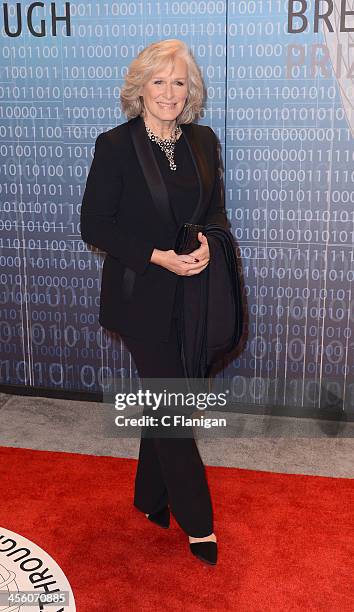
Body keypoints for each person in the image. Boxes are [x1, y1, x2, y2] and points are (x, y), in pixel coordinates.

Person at [80, 39, 230, 565]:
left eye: (180, 82)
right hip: (140, 294)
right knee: (174, 406)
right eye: (159, 81)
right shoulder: (116, 145)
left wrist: (212, 240)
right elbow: (94, 225)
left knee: (169, 395)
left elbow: (214, 211)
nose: (170, 92)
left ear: (191, 91)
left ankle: (149, 497)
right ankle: (199, 522)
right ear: (140, 88)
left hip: (194, 294)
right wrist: (158, 257)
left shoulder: (203, 142)